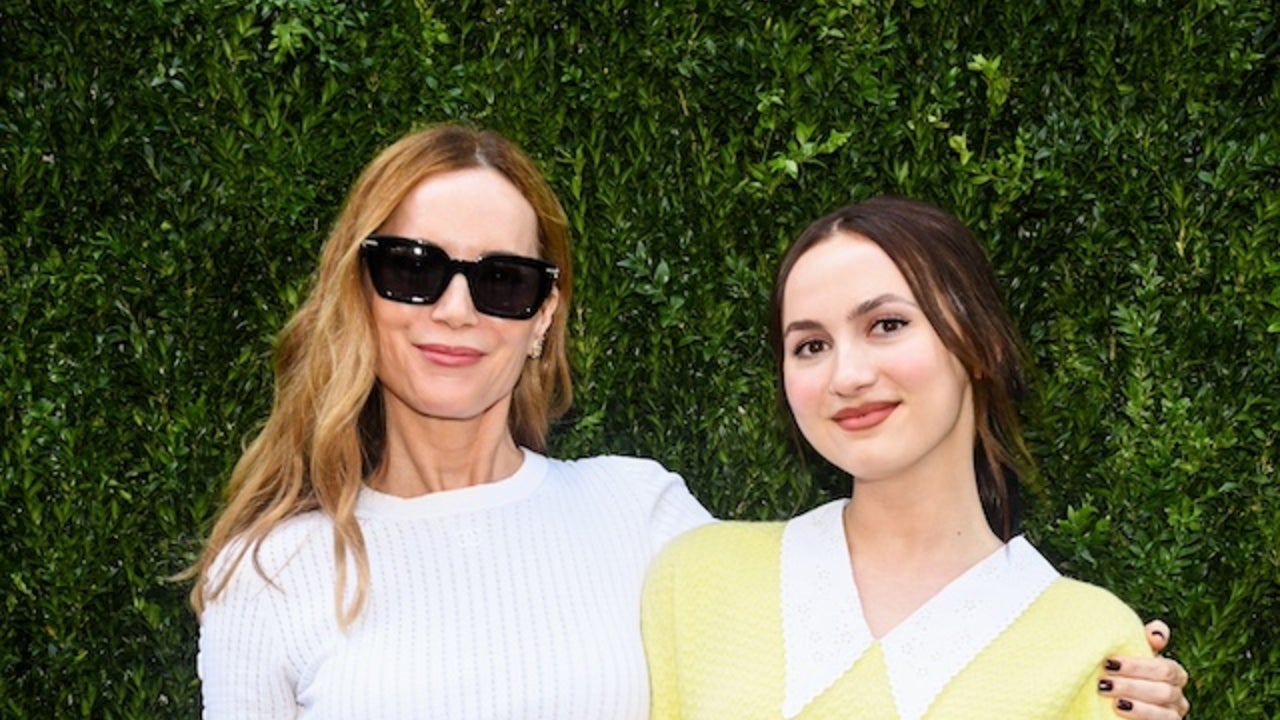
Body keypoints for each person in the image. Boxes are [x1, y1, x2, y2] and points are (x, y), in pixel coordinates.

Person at [191, 126, 1188, 719]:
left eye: (500, 280)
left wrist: (1091, 651)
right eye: (411, 268)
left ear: (543, 315)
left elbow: (867, 612)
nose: (454, 310)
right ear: (356, 287)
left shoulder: (643, 520)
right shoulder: (267, 578)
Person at [641, 196, 1192, 719]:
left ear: (980, 345)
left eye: (887, 325)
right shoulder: (695, 578)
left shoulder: (1095, 647)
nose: (847, 376)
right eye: (811, 345)